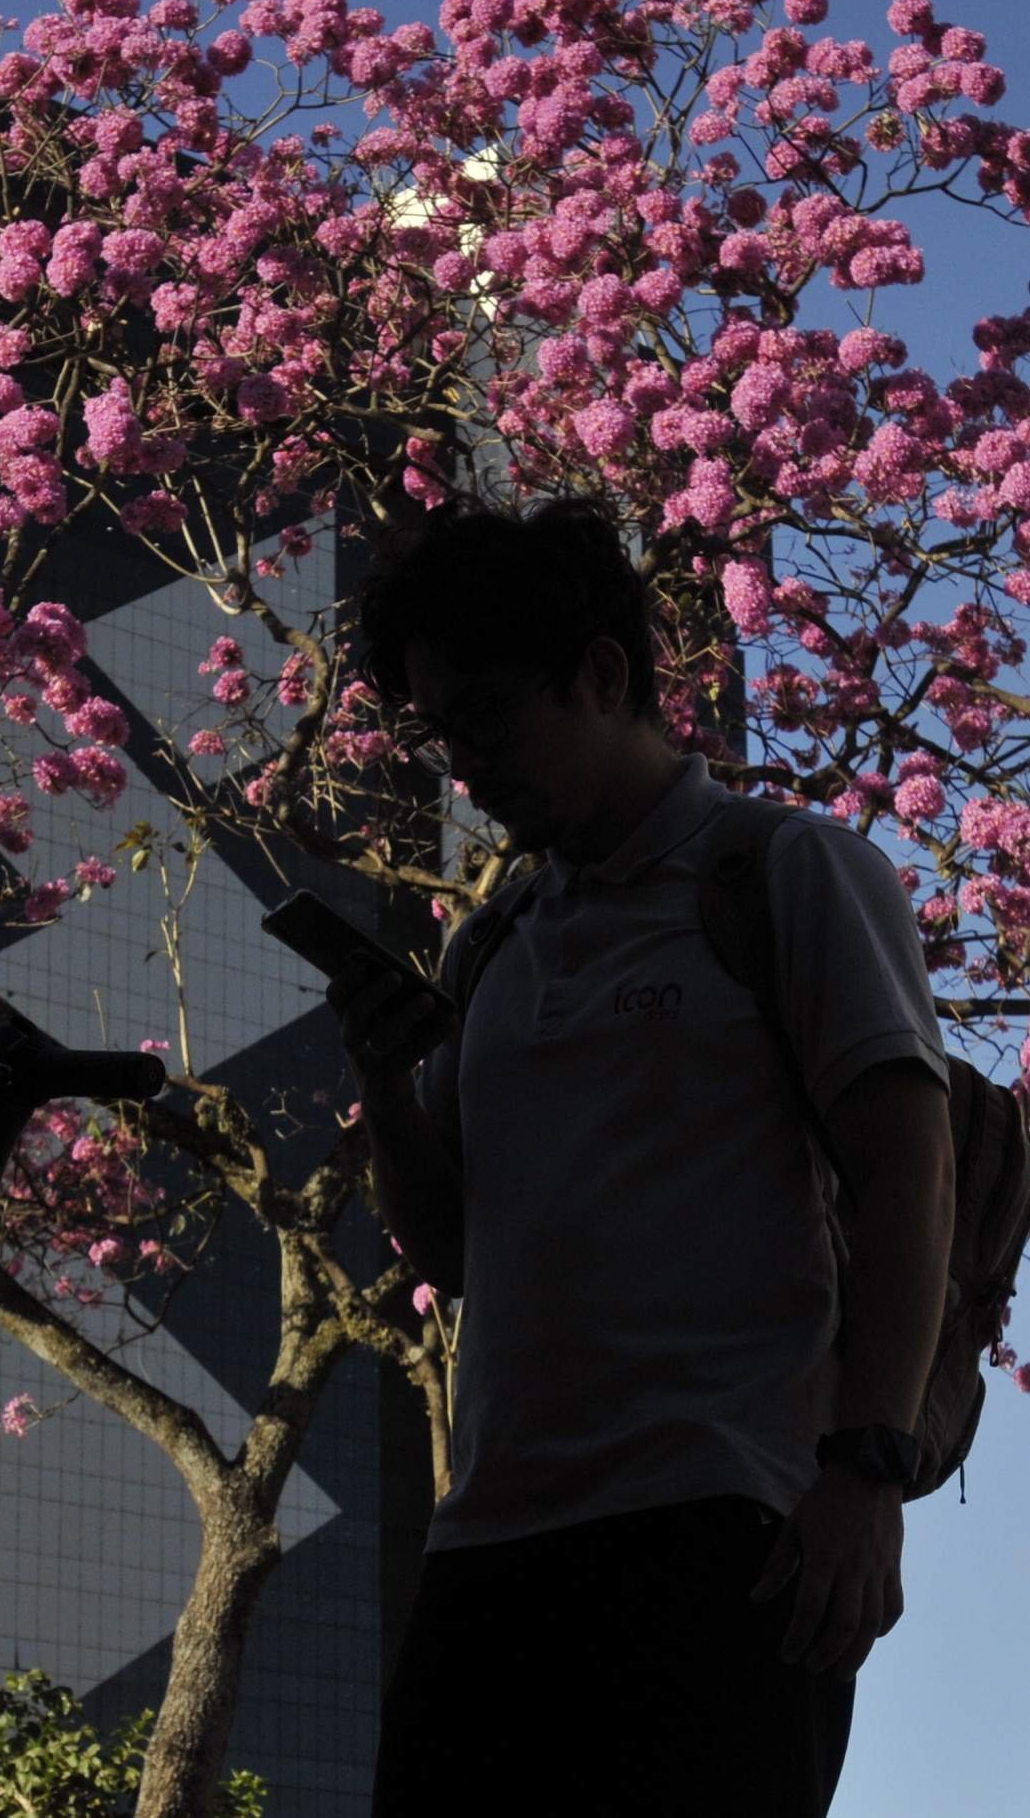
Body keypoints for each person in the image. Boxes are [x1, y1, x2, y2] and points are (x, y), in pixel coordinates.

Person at [341, 497, 957, 1816]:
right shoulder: (491, 943)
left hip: (721, 1528)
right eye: (443, 729)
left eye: (491, 714)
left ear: (605, 674)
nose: (467, 763)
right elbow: (453, 1252)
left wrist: (868, 1469)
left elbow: (911, 1174)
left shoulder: (783, 870)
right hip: (491, 1546)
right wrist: (387, 1093)